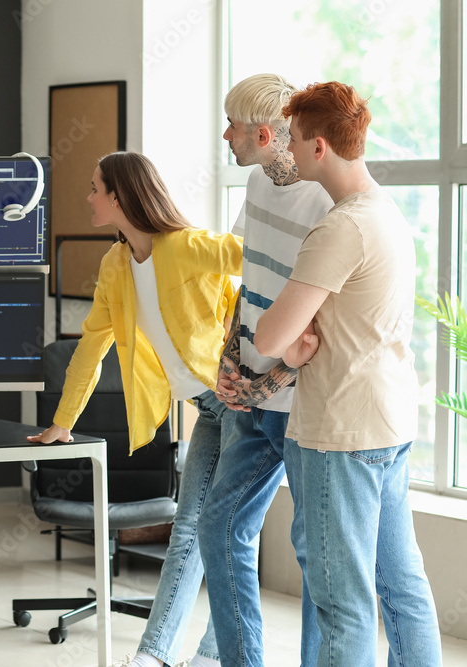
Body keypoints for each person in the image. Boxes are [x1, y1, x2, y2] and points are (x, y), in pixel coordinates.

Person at [27, 151, 242, 667]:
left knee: (229, 531)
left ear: (120, 195)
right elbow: (90, 347)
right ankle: (156, 656)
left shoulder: (188, 246)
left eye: (95, 187)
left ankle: (214, 655)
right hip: (204, 407)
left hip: (241, 403)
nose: (88, 197)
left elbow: (254, 260)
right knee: (192, 527)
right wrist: (62, 423)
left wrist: (264, 348)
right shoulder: (116, 265)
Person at [254, 81, 443, 666]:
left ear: (318, 148)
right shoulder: (386, 212)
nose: (286, 147)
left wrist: (290, 354)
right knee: (398, 582)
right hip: (387, 422)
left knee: (342, 601)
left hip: (340, 433)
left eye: (293, 137)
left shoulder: (339, 228)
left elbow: (269, 338)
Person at [196, 73, 333, 667]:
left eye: (233, 126)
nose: (225, 135)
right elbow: (249, 285)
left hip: (300, 403)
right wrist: (232, 358)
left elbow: (323, 325)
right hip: (249, 397)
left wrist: (268, 381)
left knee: (315, 556)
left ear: (265, 132)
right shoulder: (255, 182)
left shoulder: (326, 202)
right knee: (219, 529)